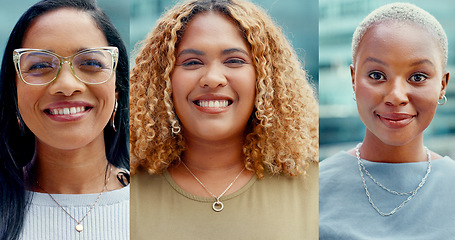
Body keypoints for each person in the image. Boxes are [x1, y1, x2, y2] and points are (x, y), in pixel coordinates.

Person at [129, 0, 318, 238]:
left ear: (265, 76)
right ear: (161, 80)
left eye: (234, 61)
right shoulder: (124, 190)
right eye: (192, 62)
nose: (213, 78)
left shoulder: (316, 185)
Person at [319, 2, 455, 239]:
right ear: (353, 78)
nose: (396, 96)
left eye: (418, 77)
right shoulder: (312, 189)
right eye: (377, 75)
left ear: (442, 85)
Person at [0, 0, 130, 239]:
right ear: (13, 92)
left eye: (90, 63)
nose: (67, 86)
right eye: (39, 65)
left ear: (117, 89)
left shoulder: (161, 204)